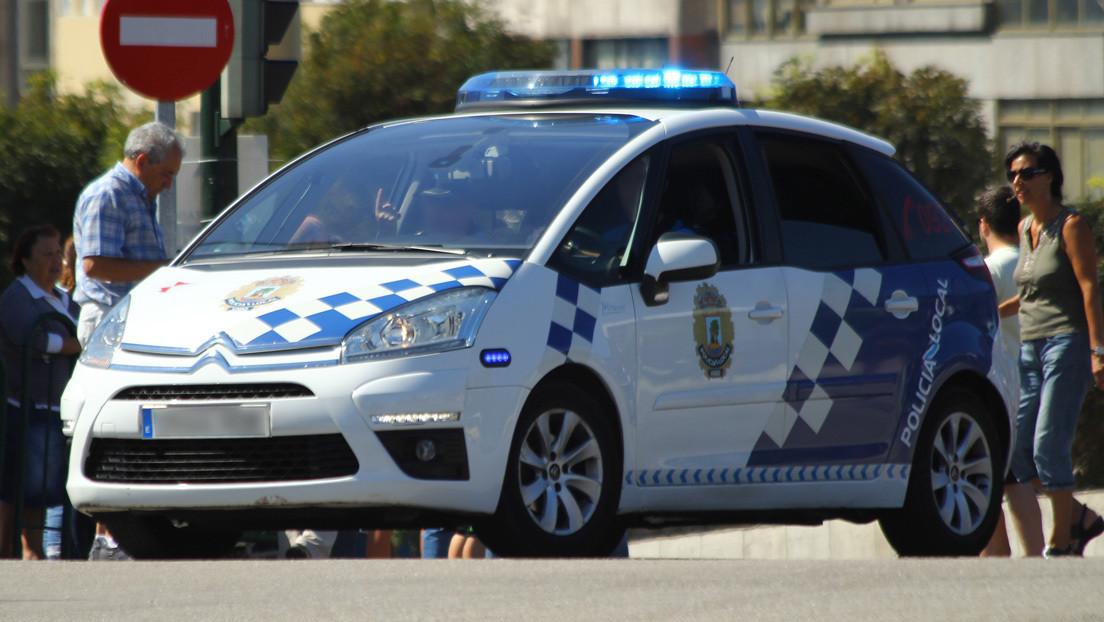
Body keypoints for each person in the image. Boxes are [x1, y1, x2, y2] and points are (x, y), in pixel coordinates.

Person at [73, 121, 183, 560]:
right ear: (141, 162)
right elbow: (95, 264)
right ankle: (109, 536)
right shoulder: (109, 194)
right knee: (115, 426)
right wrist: (159, 270)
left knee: (135, 427)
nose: (168, 184)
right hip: (108, 325)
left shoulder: (136, 195)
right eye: (166, 175)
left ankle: (122, 532)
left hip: (129, 324)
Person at [1001, 142, 1104, 556]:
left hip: (1067, 343)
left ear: (1049, 177)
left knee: (1048, 443)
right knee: (1021, 451)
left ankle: (1060, 541)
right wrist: (989, 312)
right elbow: (1028, 296)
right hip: (1031, 347)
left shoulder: (1070, 225)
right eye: (1012, 174)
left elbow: (1089, 287)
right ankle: (1079, 518)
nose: (1017, 181)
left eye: (1026, 173)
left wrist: (1099, 350)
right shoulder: (1027, 229)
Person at [0, 225, 81, 559]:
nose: (56, 261)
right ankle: (11, 556)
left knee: (42, 493)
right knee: (15, 492)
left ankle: (32, 554)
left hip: (57, 410)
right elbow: (33, 340)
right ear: (26, 260)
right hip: (25, 407)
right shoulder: (17, 297)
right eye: (47, 254)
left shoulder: (64, 299)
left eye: (58, 254)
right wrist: (77, 344)